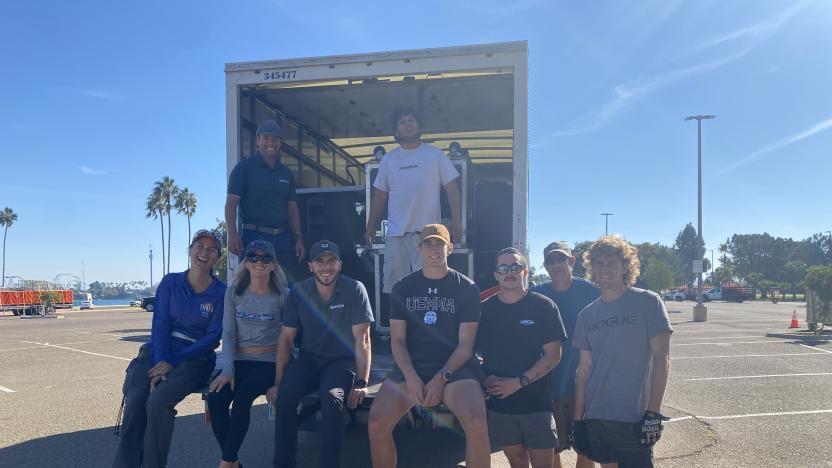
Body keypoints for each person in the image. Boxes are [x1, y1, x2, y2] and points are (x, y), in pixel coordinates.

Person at [368, 224, 489, 468]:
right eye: (428, 243)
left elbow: (465, 346)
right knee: (376, 423)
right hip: (412, 366)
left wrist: (441, 378)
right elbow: (398, 340)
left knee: (477, 423)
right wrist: (411, 376)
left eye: (440, 243)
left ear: (450, 248)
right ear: (419, 248)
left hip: (454, 369)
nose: (434, 249)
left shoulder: (466, 288)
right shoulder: (402, 287)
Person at [114, 229, 226, 468]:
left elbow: (212, 338)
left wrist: (173, 361)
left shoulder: (220, 293)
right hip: (159, 352)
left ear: (217, 256)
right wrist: (161, 362)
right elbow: (160, 325)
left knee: (158, 402)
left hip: (194, 359)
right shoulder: (170, 282)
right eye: (199, 246)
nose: (204, 252)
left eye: (211, 249)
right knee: (136, 402)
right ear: (190, 250)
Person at [267, 239, 374, 468]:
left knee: (332, 397)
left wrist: (361, 381)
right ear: (311, 266)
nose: (326, 267)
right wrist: (278, 382)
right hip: (309, 359)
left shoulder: (355, 289)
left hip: (341, 362)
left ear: (340, 264)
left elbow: (362, 339)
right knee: (285, 396)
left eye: (332, 261)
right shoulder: (298, 293)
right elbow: (286, 339)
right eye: (320, 261)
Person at [571, 236, 673, 468]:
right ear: (591, 268)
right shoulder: (586, 315)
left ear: (625, 266)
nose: (604, 269)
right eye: (598, 263)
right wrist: (578, 420)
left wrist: (653, 413)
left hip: (634, 416)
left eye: (612, 263)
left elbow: (662, 359)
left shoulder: (648, 302)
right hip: (597, 415)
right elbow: (584, 369)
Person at [478, 247, 566, 468]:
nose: (510, 272)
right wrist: (483, 377)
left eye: (515, 266)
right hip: (501, 404)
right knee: (516, 460)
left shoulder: (543, 306)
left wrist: (518, 383)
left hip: (536, 403)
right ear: (496, 274)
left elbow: (553, 355)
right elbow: (469, 352)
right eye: (503, 267)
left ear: (525, 271)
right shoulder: (484, 310)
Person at [207, 240, 289, 468]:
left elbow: (288, 339)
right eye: (253, 257)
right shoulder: (234, 293)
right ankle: (234, 461)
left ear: (273, 265)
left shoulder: (284, 295)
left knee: (242, 400)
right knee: (216, 399)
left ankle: (226, 463)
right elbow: (229, 333)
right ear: (246, 263)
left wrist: (280, 378)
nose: (259, 262)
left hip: (268, 362)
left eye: (265, 258)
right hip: (239, 360)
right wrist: (227, 369)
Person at [363, 108, 462, 292]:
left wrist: (456, 219)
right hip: (396, 236)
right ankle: (398, 321)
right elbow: (380, 195)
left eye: (411, 120)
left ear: (419, 127)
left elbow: (451, 187)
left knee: (430, 287)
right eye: (402, 122)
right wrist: (370, 226)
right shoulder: (388, 160)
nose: (408, 124)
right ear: (396, 132)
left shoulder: (435, 155)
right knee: (395, 288)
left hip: (429, 237)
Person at [532, 241, 601, 468]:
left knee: (587, 448)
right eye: (550, 261)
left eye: (560, 259)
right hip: (549, 384)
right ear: (545, 266)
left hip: (587, 384)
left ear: (572, 261)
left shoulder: (591, 291)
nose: (556, 264)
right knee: (552, 448)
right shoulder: (536, 294)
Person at [226, 119, 305, 282]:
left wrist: (298, 238)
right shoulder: (243, 169)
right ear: (257, 140)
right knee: (249, 286)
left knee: (285, 287)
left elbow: (292, 209)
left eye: (275, 139)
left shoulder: (286, 173)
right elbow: (231, 203)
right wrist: (232, 234)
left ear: (280, 142)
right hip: (252, 236)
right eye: (266, 138)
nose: (271, 143)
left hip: (283, 239)